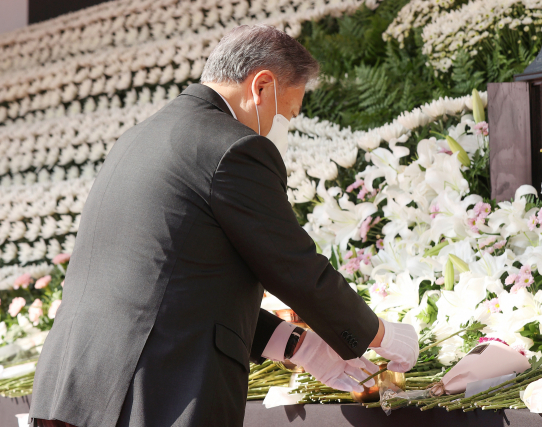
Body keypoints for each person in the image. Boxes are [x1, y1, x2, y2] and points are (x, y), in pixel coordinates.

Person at [29, 25, 419, 427]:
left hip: (74, 393)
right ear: (262, 88)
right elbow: (294, 267)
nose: (284, 125)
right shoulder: (234, 146)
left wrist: (299, 346)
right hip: (153, 395)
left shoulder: (137, 139)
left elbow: (178, 282)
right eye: (290, 113)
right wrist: (380, 334)